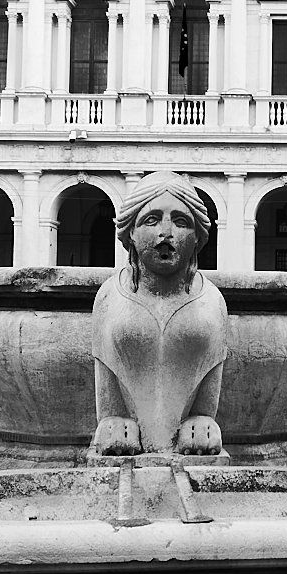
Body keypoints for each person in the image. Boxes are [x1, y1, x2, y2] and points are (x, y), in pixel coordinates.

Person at [89, 170, 229, 457]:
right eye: (151, 220)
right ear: (130, 231)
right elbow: (105, 372)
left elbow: (211, 368)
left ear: (197, 236)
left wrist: (203, 416)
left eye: (181, 222)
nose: (166, 232)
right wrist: (112, 417)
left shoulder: (211, 299)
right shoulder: (109, 294)